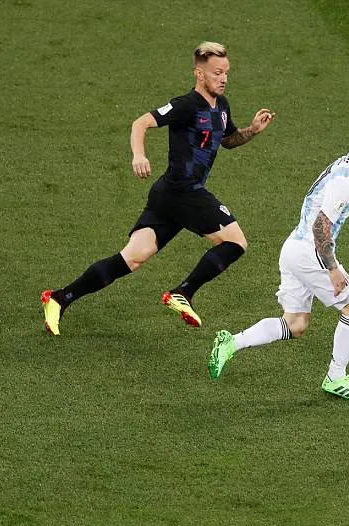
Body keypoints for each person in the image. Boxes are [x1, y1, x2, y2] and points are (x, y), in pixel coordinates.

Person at [42, 41, 275, 335]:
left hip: (167, 195)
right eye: (217, 73)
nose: (224, 78)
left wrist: (252, 131)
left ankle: (59, 298)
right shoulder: (186, 105)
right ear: (199, 74)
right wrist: (138, 155)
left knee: (131, 258)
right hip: (184, 192)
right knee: (236, 242)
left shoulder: (222, 106)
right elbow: (140, 123)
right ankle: (183, 292)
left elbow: (227, 140)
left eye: (226, 72)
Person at [208, 127, 349, 400]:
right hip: (312, 252)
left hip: (294, 248)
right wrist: (332, 269)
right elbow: (321, 227)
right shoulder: (348, 180)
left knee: (296, 323)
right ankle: (335, 378)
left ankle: (231, 342)